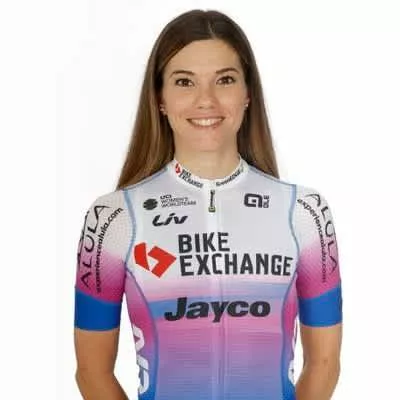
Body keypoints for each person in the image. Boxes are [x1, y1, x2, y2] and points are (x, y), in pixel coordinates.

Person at [74, 9, 343, 400]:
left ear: (247, 94)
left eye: (225, 80)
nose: (206, 100)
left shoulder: (304, 213)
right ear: (160, 98)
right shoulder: (113, 220)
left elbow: (325, 364)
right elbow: (91, 371)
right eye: (184, 82)